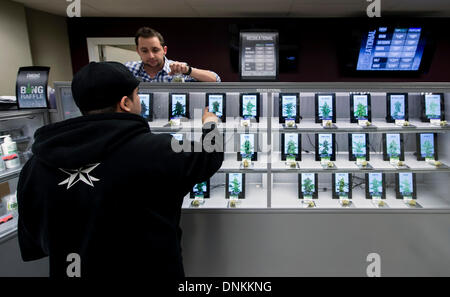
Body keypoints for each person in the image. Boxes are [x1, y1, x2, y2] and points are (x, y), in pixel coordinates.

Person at [17, 61, 223, 278]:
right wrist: (210, 123)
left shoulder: (36, 165)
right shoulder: (156, 150)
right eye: (137, 95)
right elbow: (209, 155)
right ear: (125, 103)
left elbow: (35, 237)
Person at [125, 27, 221, 82]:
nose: (151, 56)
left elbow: (216, 80)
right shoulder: (129, 69)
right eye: (145, 51)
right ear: (138, 51)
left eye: (155, 50)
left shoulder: (178, 70)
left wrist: (188, 70)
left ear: (164, 50)